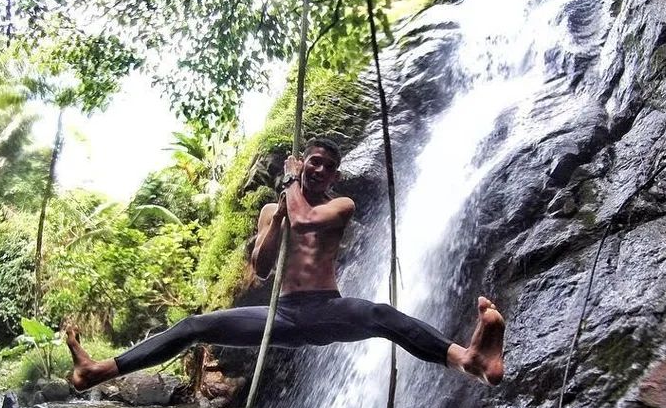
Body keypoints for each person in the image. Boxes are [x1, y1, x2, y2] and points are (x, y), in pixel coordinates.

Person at [65, 136, 505, 391]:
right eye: (314, 162)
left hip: (326, 309)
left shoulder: (341, 205)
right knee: (194, 326)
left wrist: (291, 186)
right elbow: (260, 267)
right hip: (284, 316)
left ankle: (468, 359)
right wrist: (273, 219)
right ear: (306, 162)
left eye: (328, 167)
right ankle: (98, 369)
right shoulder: (275, 211)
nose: (320, 170)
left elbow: (307, 220)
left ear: (334, 176)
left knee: (380, 315)